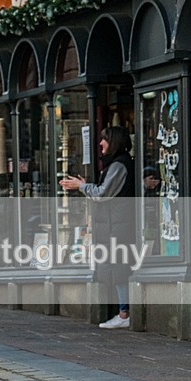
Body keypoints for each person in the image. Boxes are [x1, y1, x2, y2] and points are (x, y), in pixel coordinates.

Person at [60, 125, 136, 329]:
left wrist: (81, 187)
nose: (101, 143)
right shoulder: (116, 165)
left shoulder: (119, 165)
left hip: (118, 226)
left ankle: (124, 313)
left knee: (120, 268)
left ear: (115, 143)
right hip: (115, 225)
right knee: (117, 267)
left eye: (105, 139)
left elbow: (103, 193)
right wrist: (85, 186)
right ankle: (123, 311)